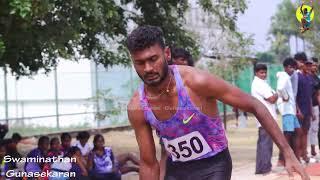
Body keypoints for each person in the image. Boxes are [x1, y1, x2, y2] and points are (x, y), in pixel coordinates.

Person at [126, 25, 308, 180]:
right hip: (177, 170)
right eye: (140, 63)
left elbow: (255, 105)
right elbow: (149, 163)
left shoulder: (196, 82)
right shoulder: (138, 106)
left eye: (153, 59)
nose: (148, 68)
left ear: (166, 54)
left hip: (214, 165)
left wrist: (288, 152)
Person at [251, 64, 278, 174]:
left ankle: (264, 167)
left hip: (267, 116)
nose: (264, 74)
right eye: (261, 72)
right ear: (256, 73)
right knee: (265, 143)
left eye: (265, 72)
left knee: (265, 143)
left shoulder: (263, 83)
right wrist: (276, 95)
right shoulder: (258, 84)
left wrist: (275, 95)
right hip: (265, 117)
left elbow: (272, 97)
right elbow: (272, 98)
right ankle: (264, 168)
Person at [276, 57, 303, 165]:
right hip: (287, 111)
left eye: (294, 68)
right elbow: (280, 88)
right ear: (287, 67)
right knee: (287, 135)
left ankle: (296, 158)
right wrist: (285, 97)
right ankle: (283, 160)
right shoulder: (284, 77)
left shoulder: (288, 76)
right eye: (292, 68)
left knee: (298, 132)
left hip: (291, 110)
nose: (293, 70)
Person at [295, 53, 314, 163]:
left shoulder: (309, 77)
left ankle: (305, 155)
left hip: (307, 109)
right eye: (305, 64)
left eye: (308, 64)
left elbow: (310, 96)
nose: (307, 66)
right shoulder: (297, 76)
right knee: (299, 133)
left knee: (306, 132)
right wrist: (298, 110)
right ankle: (297, 156)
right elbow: (295, 95)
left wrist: (311, 111)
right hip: (300, 110)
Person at [308, 57, 320, 157]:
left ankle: (313, 149)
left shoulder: (316, 78)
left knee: (315, 129)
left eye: (316, 65)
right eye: (312, 65)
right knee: (307, 129)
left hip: (316, 106)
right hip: (308, 106)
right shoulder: (307, 77)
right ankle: (305, 151)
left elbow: (317, 94)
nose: (314, 67)